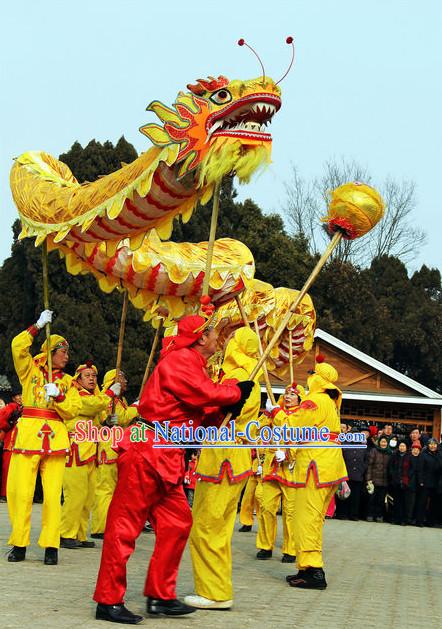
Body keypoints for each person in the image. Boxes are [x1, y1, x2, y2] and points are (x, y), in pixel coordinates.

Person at [93, 315, 253, 624]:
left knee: (178, 522)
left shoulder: (194, 365)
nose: (216, 338)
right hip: (147, 451)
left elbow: (201, 412)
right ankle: (108, 600)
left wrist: (226, 408)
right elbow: (203, 394)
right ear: (199, 337)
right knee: (124, 527)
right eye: (211, 332)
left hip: (167, 456)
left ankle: (160, 595)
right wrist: (233, 392)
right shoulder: (179, 359)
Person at [185, 327, 262, 610]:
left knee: (208, 525)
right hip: (232, 457)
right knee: (218, 526)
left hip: (223, 458)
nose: (225, 342)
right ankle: (216, 588)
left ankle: (214, 592)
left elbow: (213, 406)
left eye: (231, 339)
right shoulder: (247, 373)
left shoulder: (237, 377)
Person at [7, 310, 82, 565]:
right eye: (63, 352)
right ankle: (19, 543)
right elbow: (17, 346)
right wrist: (37, 326)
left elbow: (73, 409)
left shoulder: (70, 383)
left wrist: (59, 396)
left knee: (52, 496)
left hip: (56, 439)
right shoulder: (29, 371)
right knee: (20, 492)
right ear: (50, 352)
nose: (66, 356)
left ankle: (51, 546)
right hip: (28, 435)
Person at [269, 354, 348, 590]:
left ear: (318, 379)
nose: (309, 377)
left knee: (308, 519)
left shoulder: (315, 400)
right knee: (309, 519)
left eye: (311, 374)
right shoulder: (329, 403)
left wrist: (276, 413)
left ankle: (314, 571)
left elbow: (293, 427)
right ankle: (305, 568)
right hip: (327, 465)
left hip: (316, 466)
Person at [60, 361, 119, 548]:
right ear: (78, 379)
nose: (92, 378)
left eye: (94, 376)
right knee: (75, 495)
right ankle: (65, 533)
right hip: (76, 450)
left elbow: (98, 418)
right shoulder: (75, 394)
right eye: (87, 375)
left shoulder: (95, 397)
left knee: (88, 497)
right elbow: (91, 405)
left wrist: (109, 421)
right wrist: (109, 394)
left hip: (91, 451)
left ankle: (79, 534)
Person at [255, 383, 304, 563]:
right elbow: (257, 429)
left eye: (292, 394)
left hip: (291, 469)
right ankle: (265, 546)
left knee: (290, 513)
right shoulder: (277, 412)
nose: (288, 396)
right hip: (271, 467)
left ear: (299, 398)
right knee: (266, 508)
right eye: (286, 393)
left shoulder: (302, 414)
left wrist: (290, 452)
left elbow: (297, 434)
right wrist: (267, 413)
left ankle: (290, 549)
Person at [90, 369, 138, 538]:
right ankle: (100, 527)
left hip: (119, 444)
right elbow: (122, 418)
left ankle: (110, 524)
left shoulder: (120, 399)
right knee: (105, 488)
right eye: (123, 378)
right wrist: (137, 406)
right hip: (109, 446)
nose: (126, 381)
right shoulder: (109, 397)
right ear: (114, 380)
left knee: (115, 489)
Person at [337, 427, 368, 521]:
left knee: (356, 497)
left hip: (358, 475)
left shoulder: (363, 447)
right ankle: (342, 514)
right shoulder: (344, 445)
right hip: (346, 474)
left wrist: (362, 469)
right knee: (344, 495)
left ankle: (353, 515)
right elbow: (340, 459)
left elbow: (366, 461)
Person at [388, 440, 417, 525]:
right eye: (400, 446)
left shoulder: (410, 456)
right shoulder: (394, 455)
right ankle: (395, 519)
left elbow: (412, 469)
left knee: (405, 502)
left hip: (406, 483)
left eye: (403, 446)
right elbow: (391, 467)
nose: (402, 447)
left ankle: (403, 520)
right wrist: (393, 475)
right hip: (396, 481)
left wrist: (407, 477)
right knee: (397, 502)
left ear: (406, 447)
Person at [0, 393, 22, 500]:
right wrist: (9, 425)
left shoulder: (23, 407)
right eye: (18, 395)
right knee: (8, 469)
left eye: (22, 395)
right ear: (13, 398)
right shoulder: (12, 406)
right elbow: (1, 420)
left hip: (20, 443)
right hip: (11, 442)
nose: (21, 397)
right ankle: (5, 494)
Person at [366, 436, 391, 522]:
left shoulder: (389, 452)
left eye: (385, 442)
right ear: (379, 442)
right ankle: (370, 515)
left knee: (381, 500)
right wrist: (369, 479)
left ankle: (379, 516)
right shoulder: (374, 451)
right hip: (374, 480)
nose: (383, 443)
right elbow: (369, 465)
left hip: (384, 481)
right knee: (371, 499)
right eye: (382, 442)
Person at [416, 438, 440, 527]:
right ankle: (419, 521)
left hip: (436, 483)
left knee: (433, 504)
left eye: (434, 444)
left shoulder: (439, 455)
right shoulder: (423, 455)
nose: (432, 446)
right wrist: (421, 481)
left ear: (437, 446)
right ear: (428, 445)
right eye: (431, 444)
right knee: (422, 503)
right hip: (425, 483)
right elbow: (420, 469)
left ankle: (431, 522)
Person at [238, 448, 264, 531]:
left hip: (266, 468)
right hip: (254, 467)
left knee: (260, 497)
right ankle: (246, 522)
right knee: (247, 497)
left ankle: (263, 524)